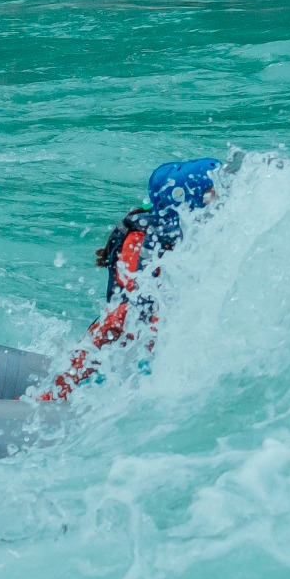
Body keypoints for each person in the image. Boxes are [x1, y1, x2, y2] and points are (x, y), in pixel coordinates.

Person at [43, 158, 220, 401]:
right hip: (120, 351)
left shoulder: (209, 237)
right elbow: (122, 320)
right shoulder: (141, 246)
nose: (225, 202)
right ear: (186, 201)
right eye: (214, 195)